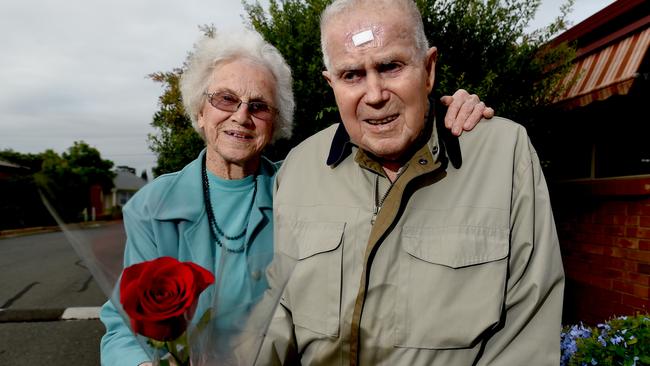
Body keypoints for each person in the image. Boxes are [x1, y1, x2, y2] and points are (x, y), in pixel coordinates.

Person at [99, 27, 491, 365]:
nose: (241, 116)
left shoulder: (301, 182)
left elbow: (385, 148)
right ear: (200, 111)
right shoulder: (154, 207)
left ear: (276, 122)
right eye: (225, 100)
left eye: (259, 106)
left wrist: (441, 113)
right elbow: (122, 328)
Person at [265, 0, 565, 365]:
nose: (374, 95)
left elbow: (526, 335)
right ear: (332, 84)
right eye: (352, 75)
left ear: (428, 69)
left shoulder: (504, 155)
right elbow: (276, 319)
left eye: (390, 67)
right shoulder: (298, 169)